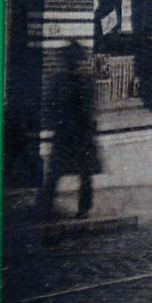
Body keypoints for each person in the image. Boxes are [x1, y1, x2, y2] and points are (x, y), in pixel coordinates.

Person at [34, 40, 102, 220]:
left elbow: (52, 107)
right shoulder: (84, 81)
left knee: (61, 173)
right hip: (78, 135)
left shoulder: (65, 80)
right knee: (81, 174)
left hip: (70, 135)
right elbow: (88, 110)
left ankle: (45, 206)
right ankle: (81, 208)